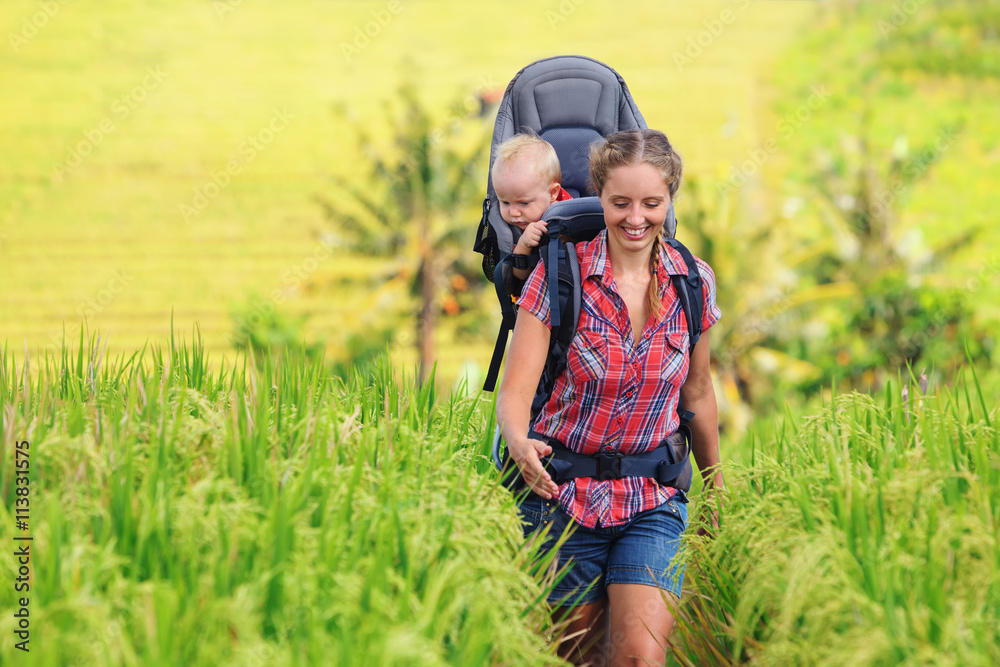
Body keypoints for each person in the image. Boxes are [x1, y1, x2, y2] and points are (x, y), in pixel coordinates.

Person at [496, 129, 724, 665]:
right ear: (598, 195)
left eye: (652, 203)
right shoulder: (559, 277)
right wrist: (517, 442)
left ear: (670, 199)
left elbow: (699, 390)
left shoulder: (693, 281)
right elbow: (515, 394)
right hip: (563, 498)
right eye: (620, 203)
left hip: (652, 497)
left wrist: (715, 487)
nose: (636, 218)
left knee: (639, 657)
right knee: (577, 654)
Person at [491, 133, 573, 280]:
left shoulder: (569, 207)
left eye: (524, 203)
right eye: (505, 202)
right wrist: (524, 245)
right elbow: (519, 277)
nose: (514, 213)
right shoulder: (516, 231)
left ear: (553, 193)